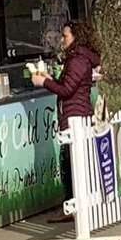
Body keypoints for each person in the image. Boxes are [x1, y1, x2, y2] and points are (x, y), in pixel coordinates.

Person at [30, 20, 100, 221]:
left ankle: (72, 206)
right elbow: (66, 84)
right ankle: (73, 204)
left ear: (76, 37)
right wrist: (50, 78)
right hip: (74, 113)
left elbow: (67, 89)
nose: (62, 39)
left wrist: (44, 82)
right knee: (71, 162)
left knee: (71, 163)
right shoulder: (77, 58)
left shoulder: (77, 60)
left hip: (75, 115)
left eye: (65, 35)